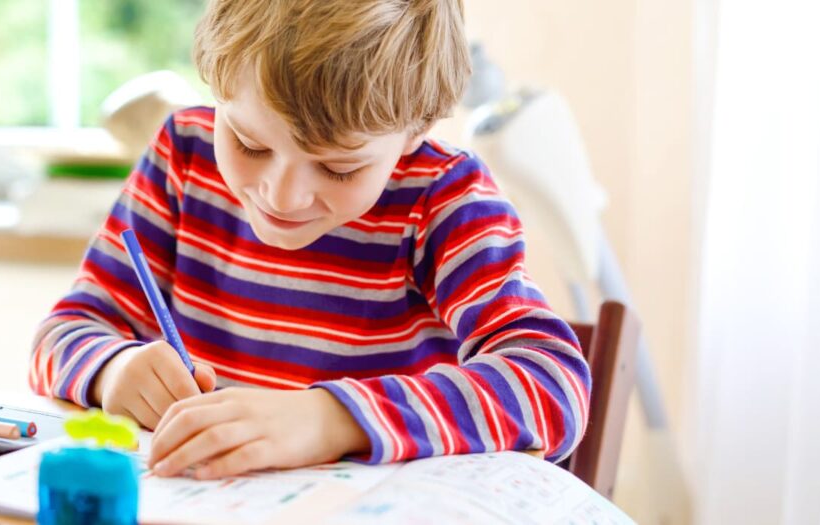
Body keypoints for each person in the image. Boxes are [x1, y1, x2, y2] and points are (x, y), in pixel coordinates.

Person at [30, 0, 590, 481]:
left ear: (416, 129)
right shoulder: (185, 157)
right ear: (217, 84)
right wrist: (112, 369)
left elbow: (553, 383)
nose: (282, 196)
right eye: (249, 143)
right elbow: (63, 333)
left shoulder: (442, 200)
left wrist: (331, 420)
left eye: (338, 168)